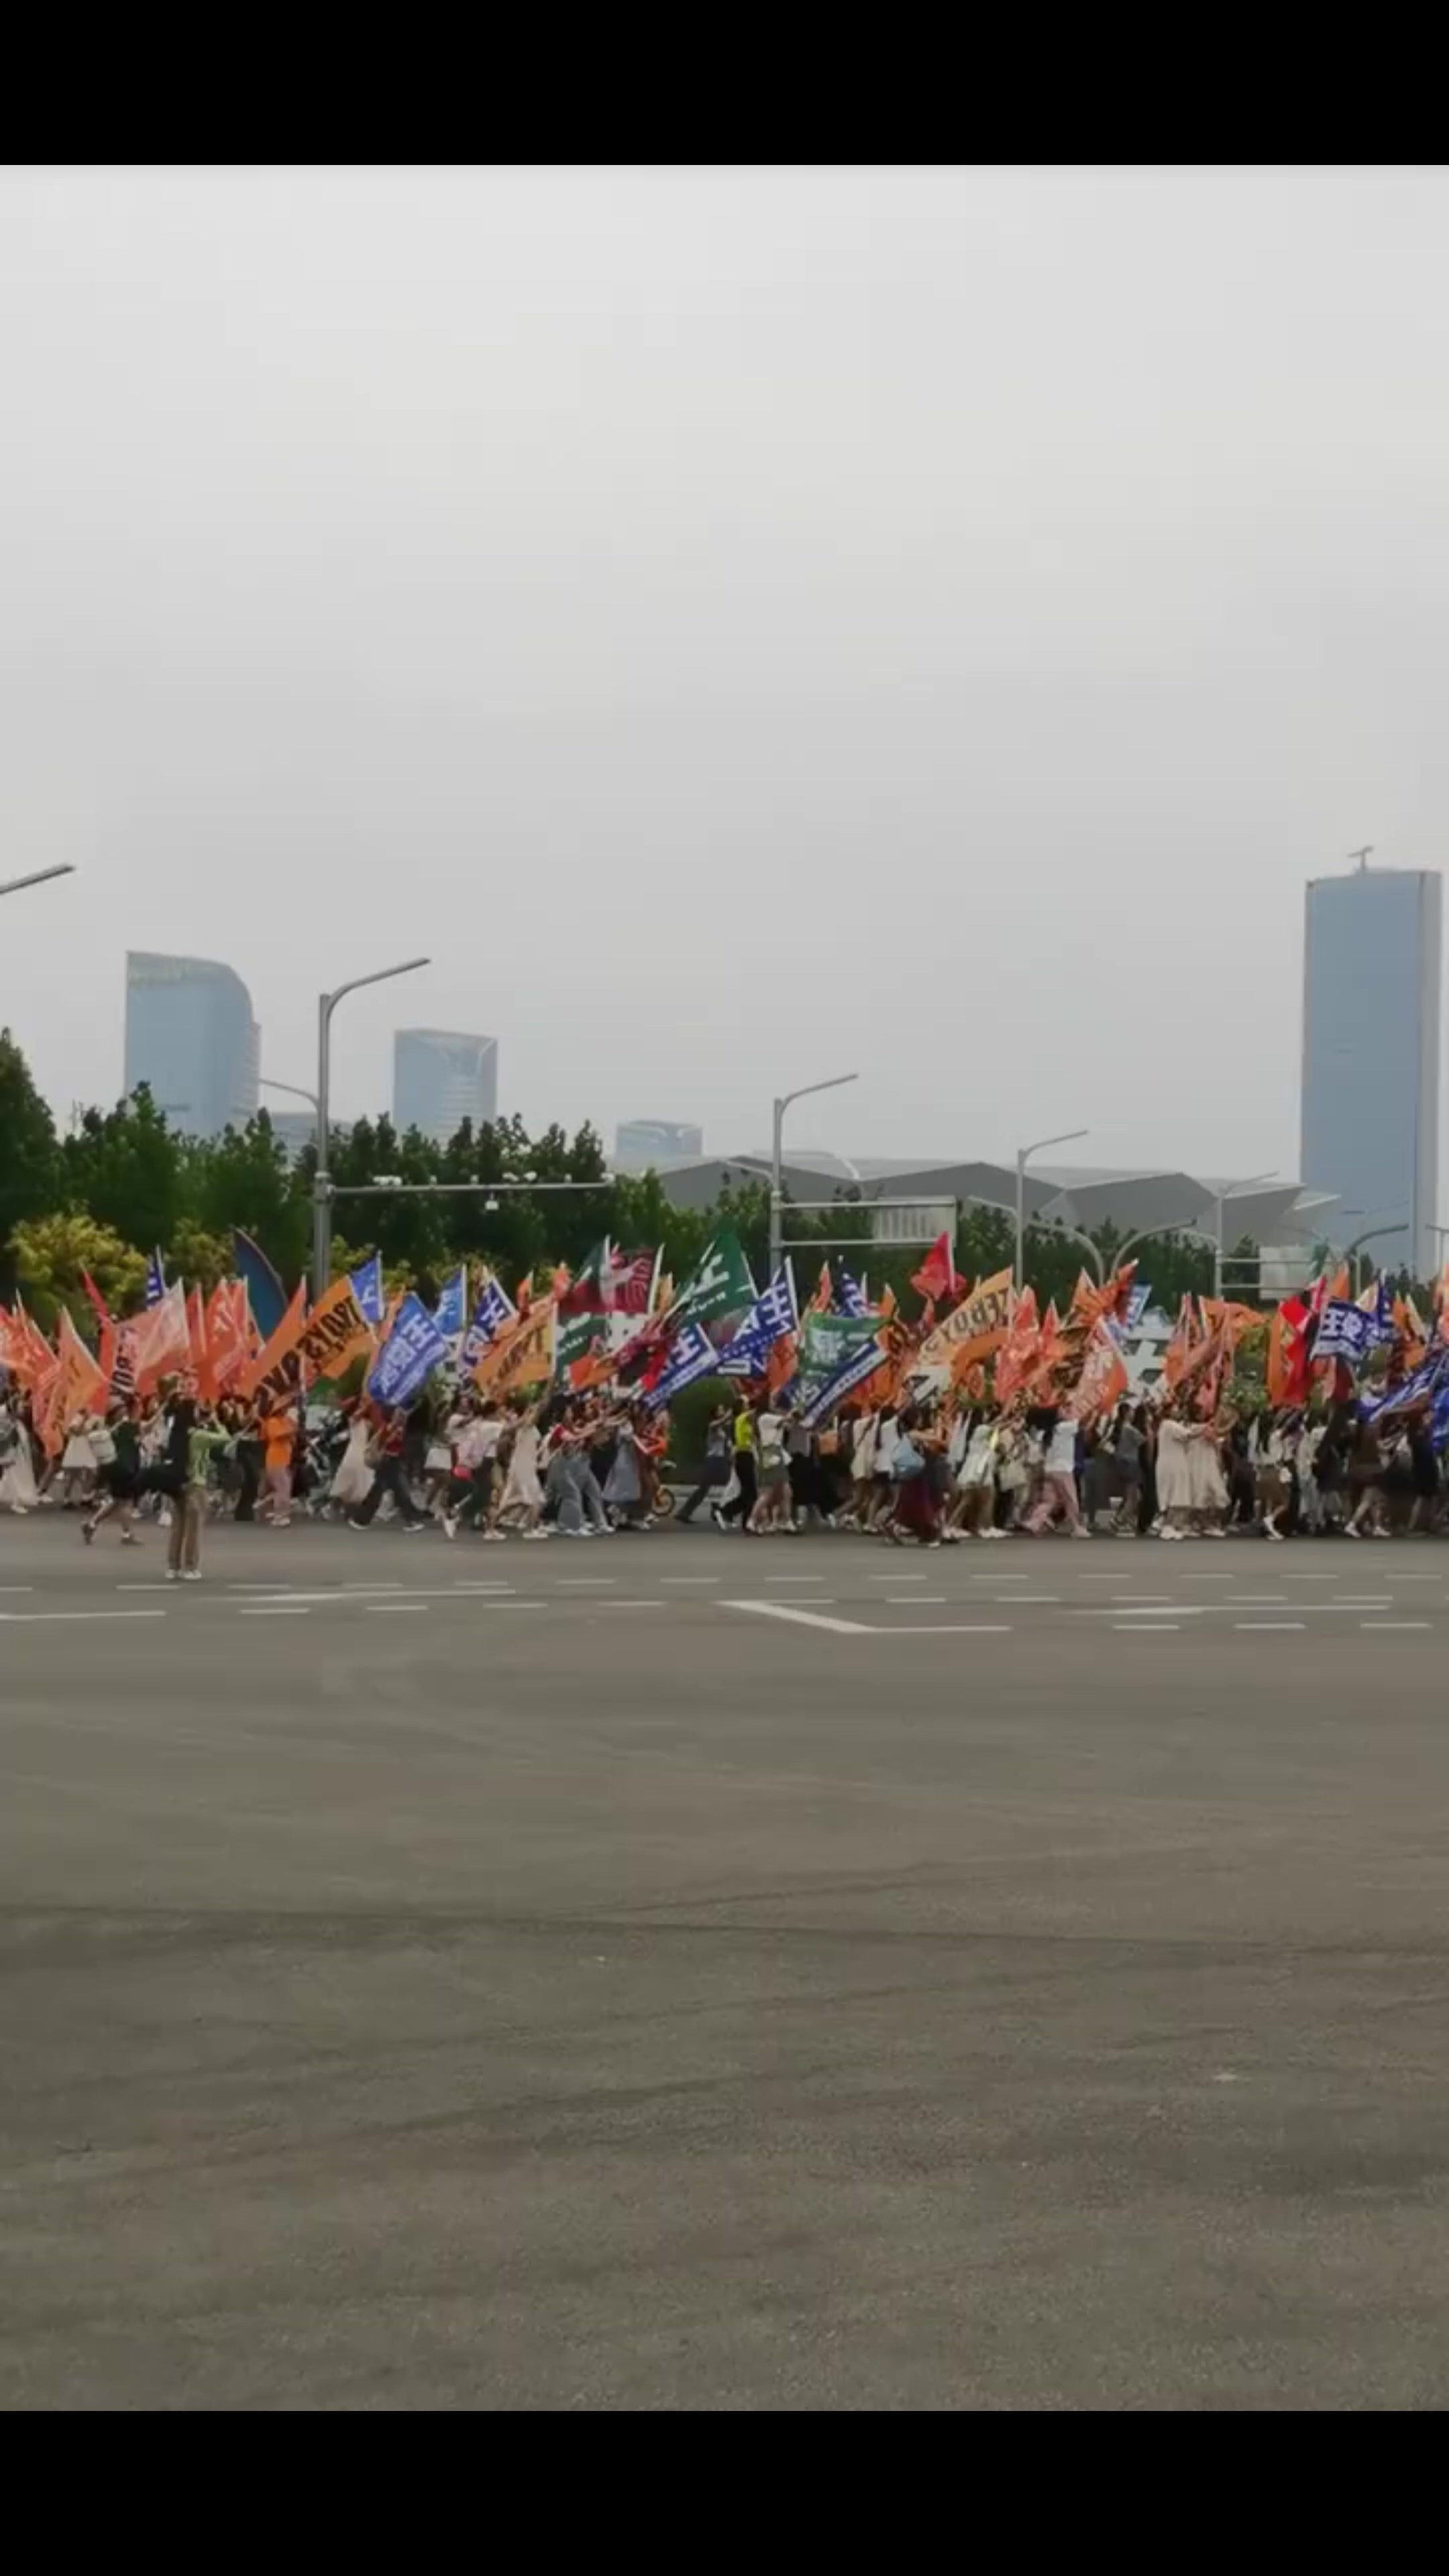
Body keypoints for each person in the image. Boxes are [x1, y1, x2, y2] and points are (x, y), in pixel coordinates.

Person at [348, 1407, 427, 1530]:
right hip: (388, 1461)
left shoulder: (400, 1429)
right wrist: (394, 1433)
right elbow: (385, 1442)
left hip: (394, 1462)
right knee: (394, 1492)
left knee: (384, 1492)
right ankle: (411, 1520)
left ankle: (361, 1519)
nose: (401, 1418)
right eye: (398, 1416)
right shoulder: (389, 1428)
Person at [82, 1398, 144, 1546]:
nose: (124, 1410)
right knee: (126, 1502)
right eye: (120, 1408)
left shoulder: (110, 1427)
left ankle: (91, 1524)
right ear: (115, 1413)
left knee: (117, 1501)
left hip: (113, 1466)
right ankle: (127, 1534)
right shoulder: (126, 1426)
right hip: (123, 1467)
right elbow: (145, 1428)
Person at [1024, 1407, 1088, 1536]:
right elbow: (1082, 1422)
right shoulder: (1064, 1427)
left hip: (1049, 1469)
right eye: (1062, 1411)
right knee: (1070, 1499)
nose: (1065, 1411)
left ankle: (1034, 1522)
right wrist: (1094, 1411)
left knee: (1049, 1500)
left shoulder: (1045, 1432)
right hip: (1063, 1469)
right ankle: (1077, 1528)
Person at [497, 1399, 549, 1536]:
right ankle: (531, 1529)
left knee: (532, 1499)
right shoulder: (526, 1424)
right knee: (531, 1499)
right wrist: (536, 1407)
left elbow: (542, 1407)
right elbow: (539, 1410)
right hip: (522, 1466)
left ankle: (532, 1527)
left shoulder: (531, 1427)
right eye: (532, 1410)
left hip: (528, 1465)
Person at [678, 1401, 731, 1525]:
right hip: (713, 1460)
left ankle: (715, 1510)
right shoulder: (712, 1425)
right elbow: (723, 1421)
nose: (722, 1411)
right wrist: (730, 1412)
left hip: (720, 1460)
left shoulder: (722, 1427)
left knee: (725, 1486)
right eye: (720, 1409)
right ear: (715, 1413)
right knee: (704, 1488)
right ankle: (685, 1512)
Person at [717, 1397, 758, 1532]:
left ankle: (744, 1521)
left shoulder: (745, 1422)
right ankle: (727, 1511)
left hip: (747, 1456)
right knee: (749, 1491)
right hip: (743, 1456)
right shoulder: (741, 1419)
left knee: (749, 1492)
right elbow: (755, 1412)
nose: (748, 1407)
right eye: (746, 1405)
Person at [257, 1397, 297, 1528]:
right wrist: (292, 1429)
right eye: (284, 1407)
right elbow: (278, 1435)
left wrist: (293, 1427)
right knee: (283, 1488)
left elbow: (293, 1438)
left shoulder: (285, 1421)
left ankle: (274, 1511)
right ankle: (281, 1515)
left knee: (282, 1487)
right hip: (275, 1459)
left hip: (285, 1459)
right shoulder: (272, 1422)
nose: (286, 1409)